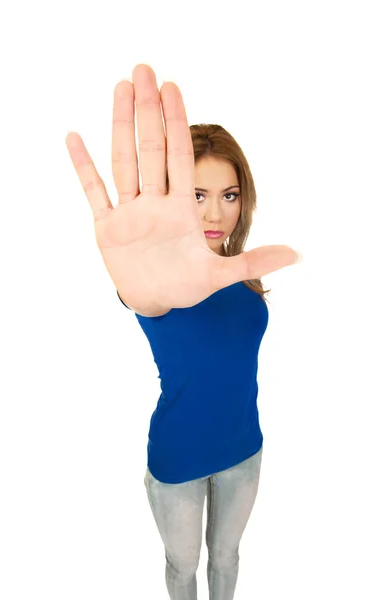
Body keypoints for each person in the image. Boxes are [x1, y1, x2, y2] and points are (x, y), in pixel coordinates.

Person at [65, 64, 302, 600]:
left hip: (245, 451)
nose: (216, 211)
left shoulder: (244, 272)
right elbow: (139, 297)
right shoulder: (157, 285)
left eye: (229, 194)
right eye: (196, 195)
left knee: (228, 559)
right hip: (178, 463)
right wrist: (136, 287)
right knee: (182, 568)